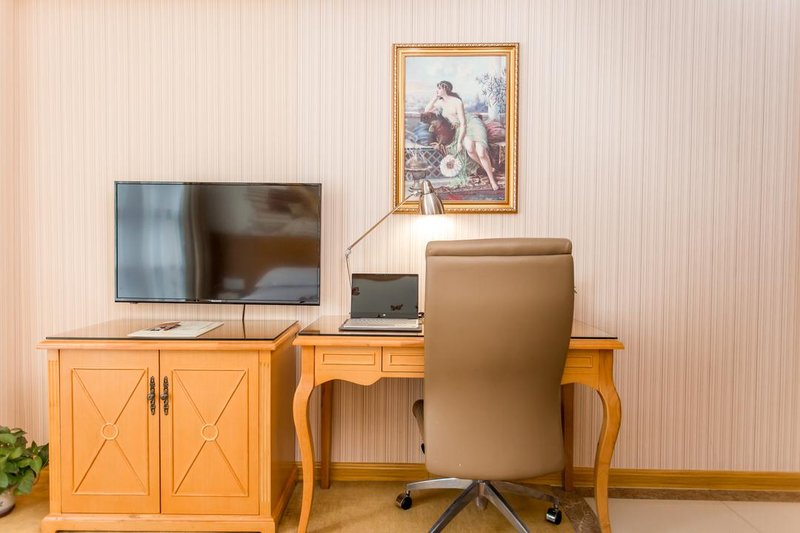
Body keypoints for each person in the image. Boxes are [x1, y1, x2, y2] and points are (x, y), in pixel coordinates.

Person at [424, 80, 499, 190]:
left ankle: (492, 180)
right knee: (470, 150)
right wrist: (435, 98)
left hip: (471, 124)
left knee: (481, 152)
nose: (437, 90)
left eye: (439, 88)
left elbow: (463, 123)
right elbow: (426, 110)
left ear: (445, 88)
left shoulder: (457, 101)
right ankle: (488, 168)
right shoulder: (440, 102)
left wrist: (459, 142)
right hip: (459, 128)